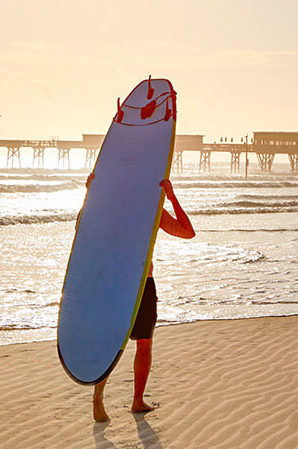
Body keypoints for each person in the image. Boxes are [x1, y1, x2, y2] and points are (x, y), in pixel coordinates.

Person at [90, 178, 194, 422]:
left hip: (129, 283)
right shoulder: (132, 210)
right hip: (130, 284)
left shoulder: (127, 209)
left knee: (130, 341)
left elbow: (187, 232)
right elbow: (84, 232)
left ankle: (122, 398)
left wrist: (171, 197)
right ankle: (118, 399)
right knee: (132, 343)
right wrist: (90, 195)